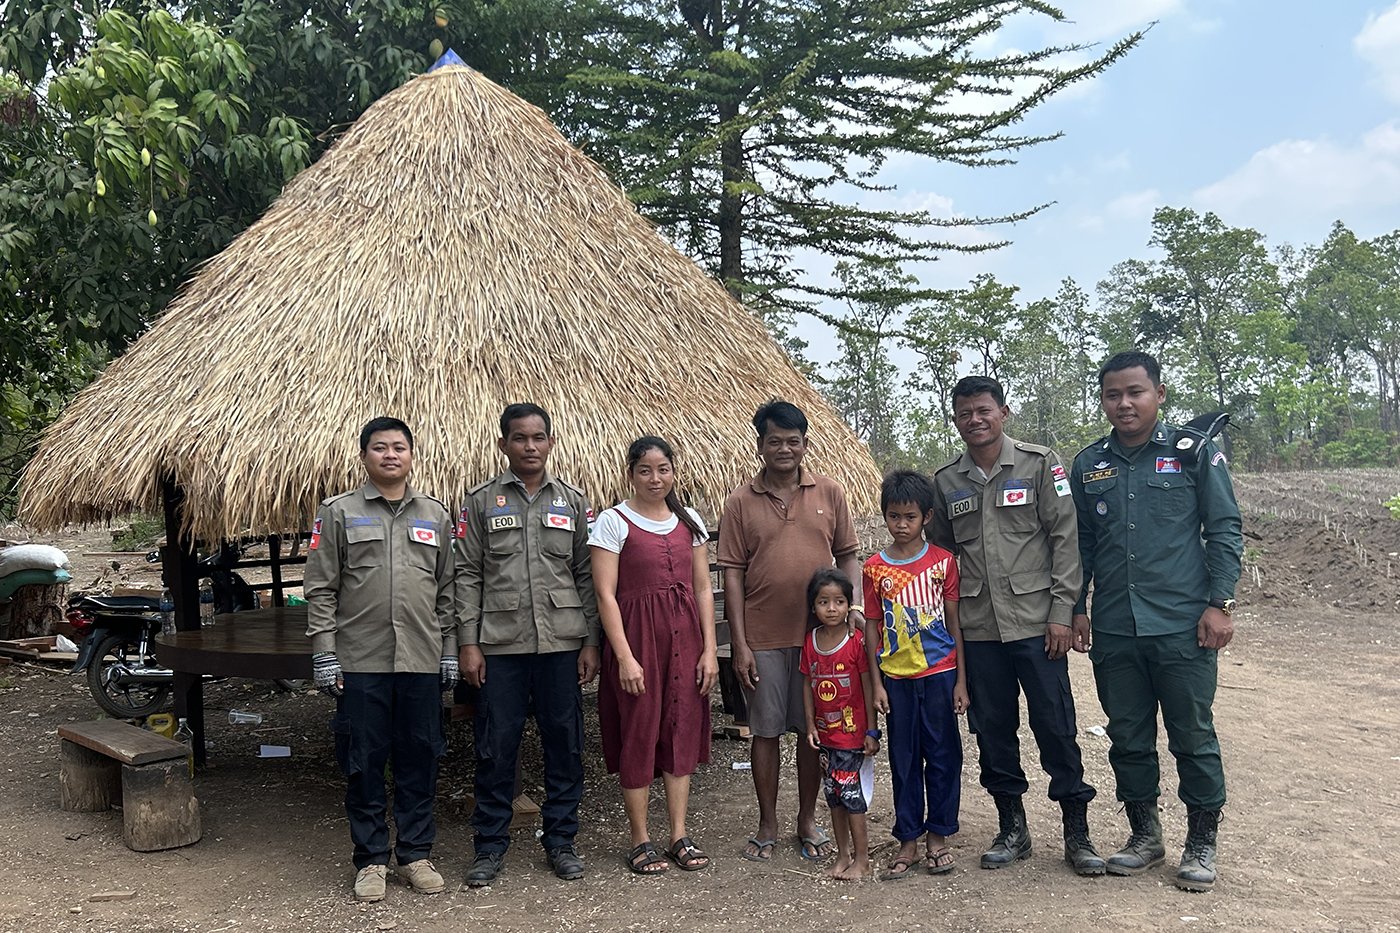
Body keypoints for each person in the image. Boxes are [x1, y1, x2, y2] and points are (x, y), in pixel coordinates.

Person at [1071, 351, 1243, 892]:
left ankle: (1201, 840)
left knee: (1192, 734)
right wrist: (1076, 606)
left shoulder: (1193, 454)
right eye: (1112, 395)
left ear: (1159, 395)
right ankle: (1145, 834)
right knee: (1127, 735)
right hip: (1117, 627)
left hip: (1182, 624)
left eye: (1135, 392)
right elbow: (1081, 544)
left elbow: (1224, 528)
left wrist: (1221, 603)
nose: (1123, 403)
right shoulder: (1089, 464)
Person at [928, 376, 1103, 875]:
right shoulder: (946, 482)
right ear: (956, 419)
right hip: (980, 629)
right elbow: (942, 557)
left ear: (1003, 412)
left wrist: (1062, 613)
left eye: (984, 410)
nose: (975, 420)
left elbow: (1065, 540)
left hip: (1036, 623)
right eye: (964, 413)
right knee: (993, 732)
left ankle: (1077, 833)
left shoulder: (1039, 463)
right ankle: (1013, 828)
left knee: (1057, 726)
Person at [304, 416, 458, 903]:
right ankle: (370, 860)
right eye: (379, 447)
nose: (390, 455)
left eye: (399, 447)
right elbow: (320, 588)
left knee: (420, 758)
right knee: (364, 762)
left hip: (421, 659)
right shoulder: (338, 512)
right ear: (364, 456)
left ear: (412, 456)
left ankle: (415, 855)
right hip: (361, 660)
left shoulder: (434, 515)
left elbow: (447, 592)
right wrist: (325, 654)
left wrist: (450, 652)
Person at [456, 403, 601, 886]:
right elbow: (467, 574)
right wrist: (468, 644)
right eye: (520, 438)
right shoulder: (480, 502)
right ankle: (490, 846)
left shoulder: (574, 502)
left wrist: (591, 643)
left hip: (562, 644)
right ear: (504, 445)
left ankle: (561, 841)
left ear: (551, 442)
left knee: (566, 745)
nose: (530, 447)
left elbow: (586, 575)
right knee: (496, 748)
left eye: (539, 438)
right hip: (500, 648)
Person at [718, 399, 861, 862]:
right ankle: (767, 821)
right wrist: (738, 644)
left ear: (804, 444)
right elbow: (733, 574)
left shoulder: (829, 492)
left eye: (792, 441)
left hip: (819, 640)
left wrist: (851, 608)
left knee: (809, 730)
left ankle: (806, 818)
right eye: (774, 440)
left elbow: (848, 555)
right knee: (764, 730)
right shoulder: (740, 501)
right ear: (760, 445)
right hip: (761, 637)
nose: (784, 448)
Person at [589, 436, 719, 876]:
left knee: (681, 729)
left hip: (687, 644)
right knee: (640, 730)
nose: (655, 478)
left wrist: (710, 651)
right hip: (639, 642)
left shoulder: (690, 521)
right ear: (631, 473)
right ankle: (640, 839)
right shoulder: (613, 521)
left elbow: (703, 588)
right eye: (645, 470)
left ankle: (678, 834)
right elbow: (606, 595)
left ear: (674, 472)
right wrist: (624, 657)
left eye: (663, 469)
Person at [862, 469, 968, 879]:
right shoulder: (874, 569)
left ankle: (938, 835)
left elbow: (956, 624)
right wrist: (876, 684)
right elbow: (872, 626)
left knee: (943, 756)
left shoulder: (944, 563)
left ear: (926, 516)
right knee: (903, 759)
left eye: (909, 517)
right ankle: (908, 837)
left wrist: (961, 680)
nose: (901, 525)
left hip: (940, 674)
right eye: (893, 516)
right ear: (884, 516)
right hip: (897, 680)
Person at [801, 568, 878, 880]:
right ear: (813, 607)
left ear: (850, 605)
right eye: (823, 602)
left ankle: (862, 859)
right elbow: (806, 685)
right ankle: (843, 855)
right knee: (833, 796)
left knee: (853, 798)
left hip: (853, 737)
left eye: (839, 602)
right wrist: (810, 725)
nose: (831, 609)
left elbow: (868, 685)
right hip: (825, 737)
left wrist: (872, 731)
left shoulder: (855, 641)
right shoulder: (810, 642)